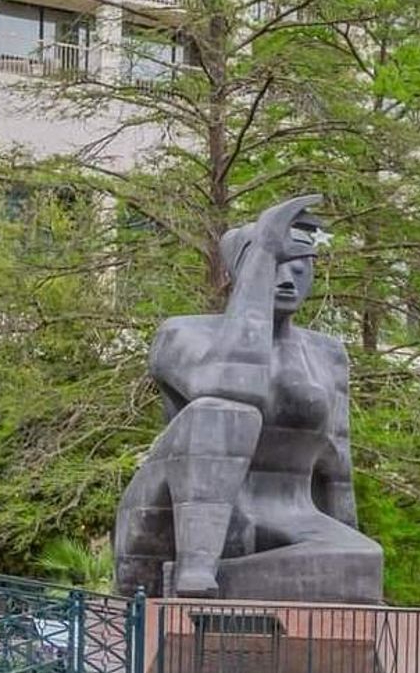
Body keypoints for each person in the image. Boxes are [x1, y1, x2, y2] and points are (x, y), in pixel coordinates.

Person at [113, 196, 383, 602]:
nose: (286, 279)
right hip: (174, 517)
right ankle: (195, 569)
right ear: (243, 272)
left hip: (287, 518)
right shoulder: (182, 333)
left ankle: (231, 582)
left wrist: (357, 576)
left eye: (298, 268)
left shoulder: (327, 354)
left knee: (363, 560)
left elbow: (336, 469)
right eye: (272, 267)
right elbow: (233, 385)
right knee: (220, 411)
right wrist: (262, 255)